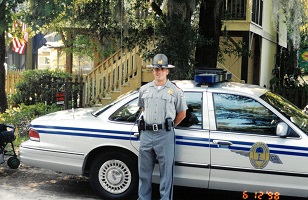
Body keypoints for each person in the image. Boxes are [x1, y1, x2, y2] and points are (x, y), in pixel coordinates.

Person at [137, 54, 187, 200]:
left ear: (167, 71)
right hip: (146, 134)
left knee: (166, 175)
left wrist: (168, 126)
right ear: (152, 71)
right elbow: (143, 108)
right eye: (156, 69)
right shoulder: (144, 89)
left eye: (162, 69)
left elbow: (182, 114)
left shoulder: (176, 91)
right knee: (144, 173)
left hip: (165, 135)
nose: (159, 72)